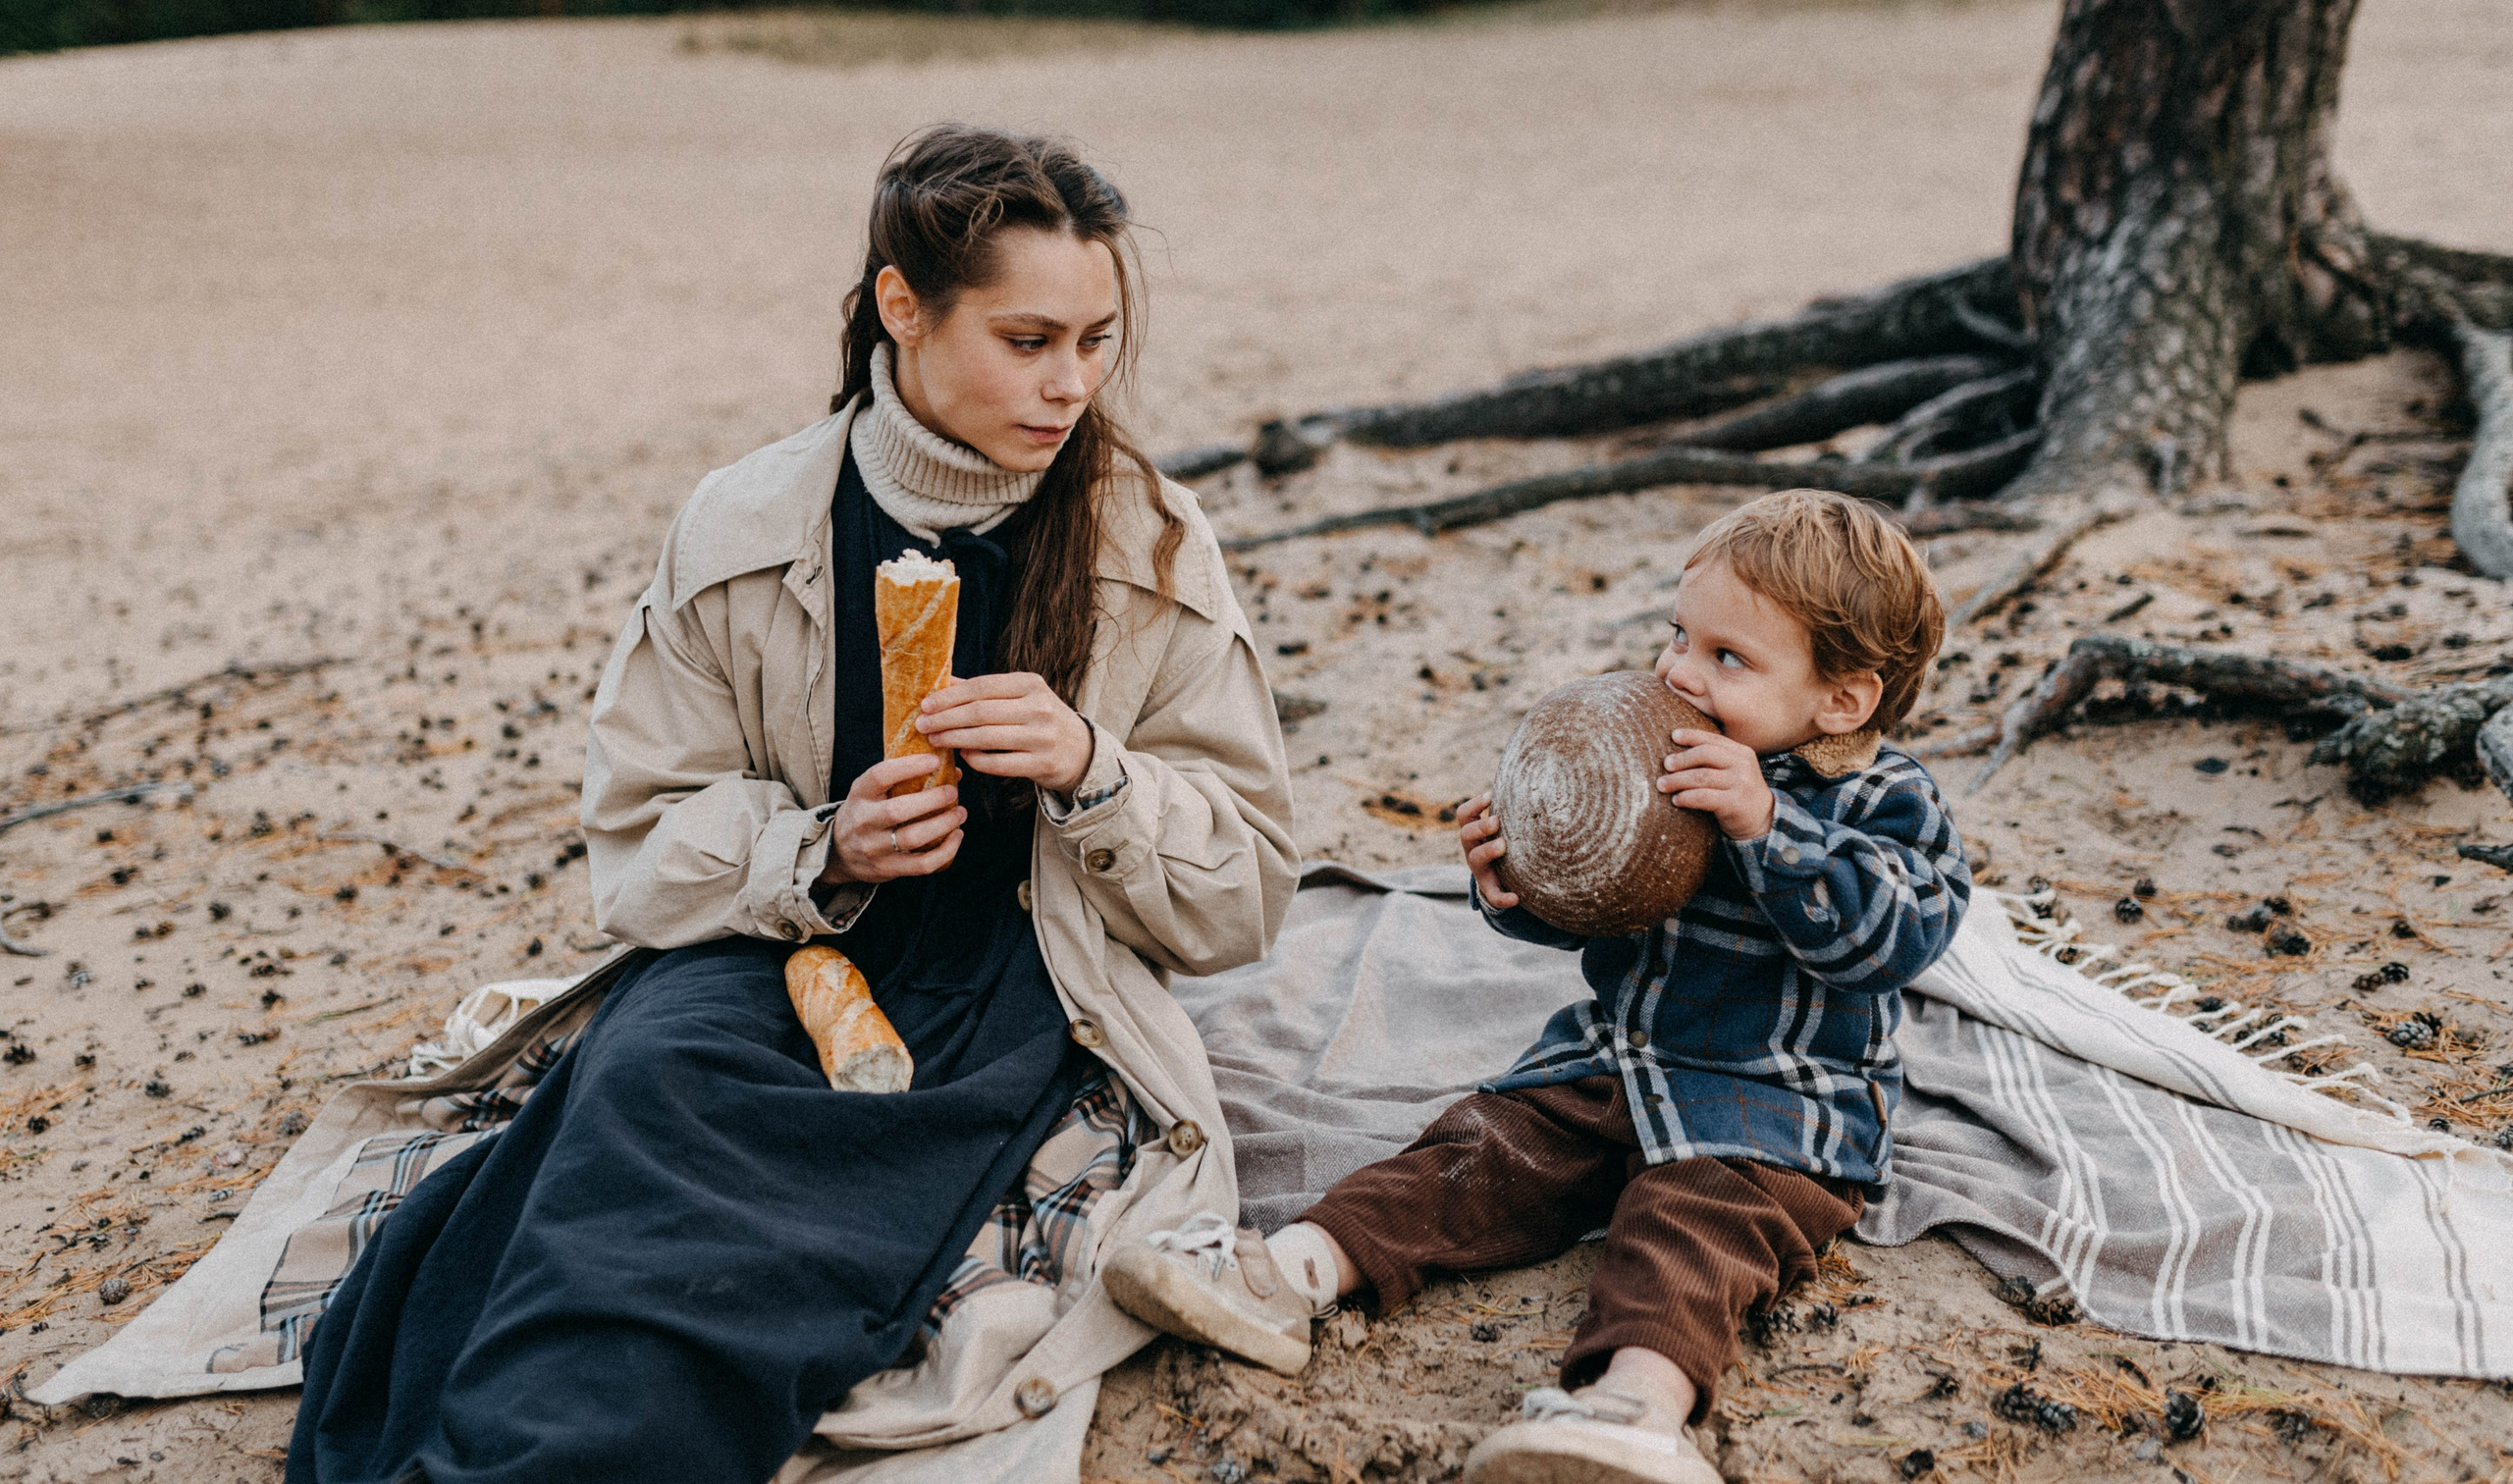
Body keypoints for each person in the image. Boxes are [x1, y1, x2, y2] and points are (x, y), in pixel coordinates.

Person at [286, 125, 1298, 1484]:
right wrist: (818, 848)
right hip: (776, 948)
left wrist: (1092, 770)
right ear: (903, 307)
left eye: (1098, 341)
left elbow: (1248, 891)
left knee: (807, 1226)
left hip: (1019, 975)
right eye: (1028, 338)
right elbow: (638, 838)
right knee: (637, 1116)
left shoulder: (1152, 542)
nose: (1071, 385)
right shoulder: (741, 524)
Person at [1102, 489, 1968, 1484]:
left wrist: (1767, 823)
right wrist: (1519, 885)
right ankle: (1285, 1273)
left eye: (1727, 658)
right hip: (1617, 1063)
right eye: (1678, 635)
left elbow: (1892, 939)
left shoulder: (1883, 797)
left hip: (1771, 1108)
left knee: (1688, 1228)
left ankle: (1632, 1406)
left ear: (1841, 699)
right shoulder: (1659, 753)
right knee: (1477, 1146)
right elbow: (1601, 906)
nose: (1680, 671)